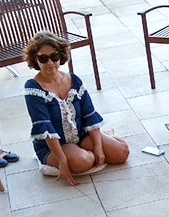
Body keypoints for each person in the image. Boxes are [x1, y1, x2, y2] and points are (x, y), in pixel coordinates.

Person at [24, 31, 129, 187]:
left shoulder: (74, 80)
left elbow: (89, 114)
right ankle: (71, 153)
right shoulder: (33, 88)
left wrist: (99, 148)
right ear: (35, 59)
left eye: (54, 57)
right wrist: (62, 160)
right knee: (84, 162)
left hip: (81, 134)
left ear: (61, 57)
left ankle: (94, 142)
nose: (50, 63)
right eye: (43, 58)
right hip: (53, 144)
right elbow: (45, 127)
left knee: (122, 153)